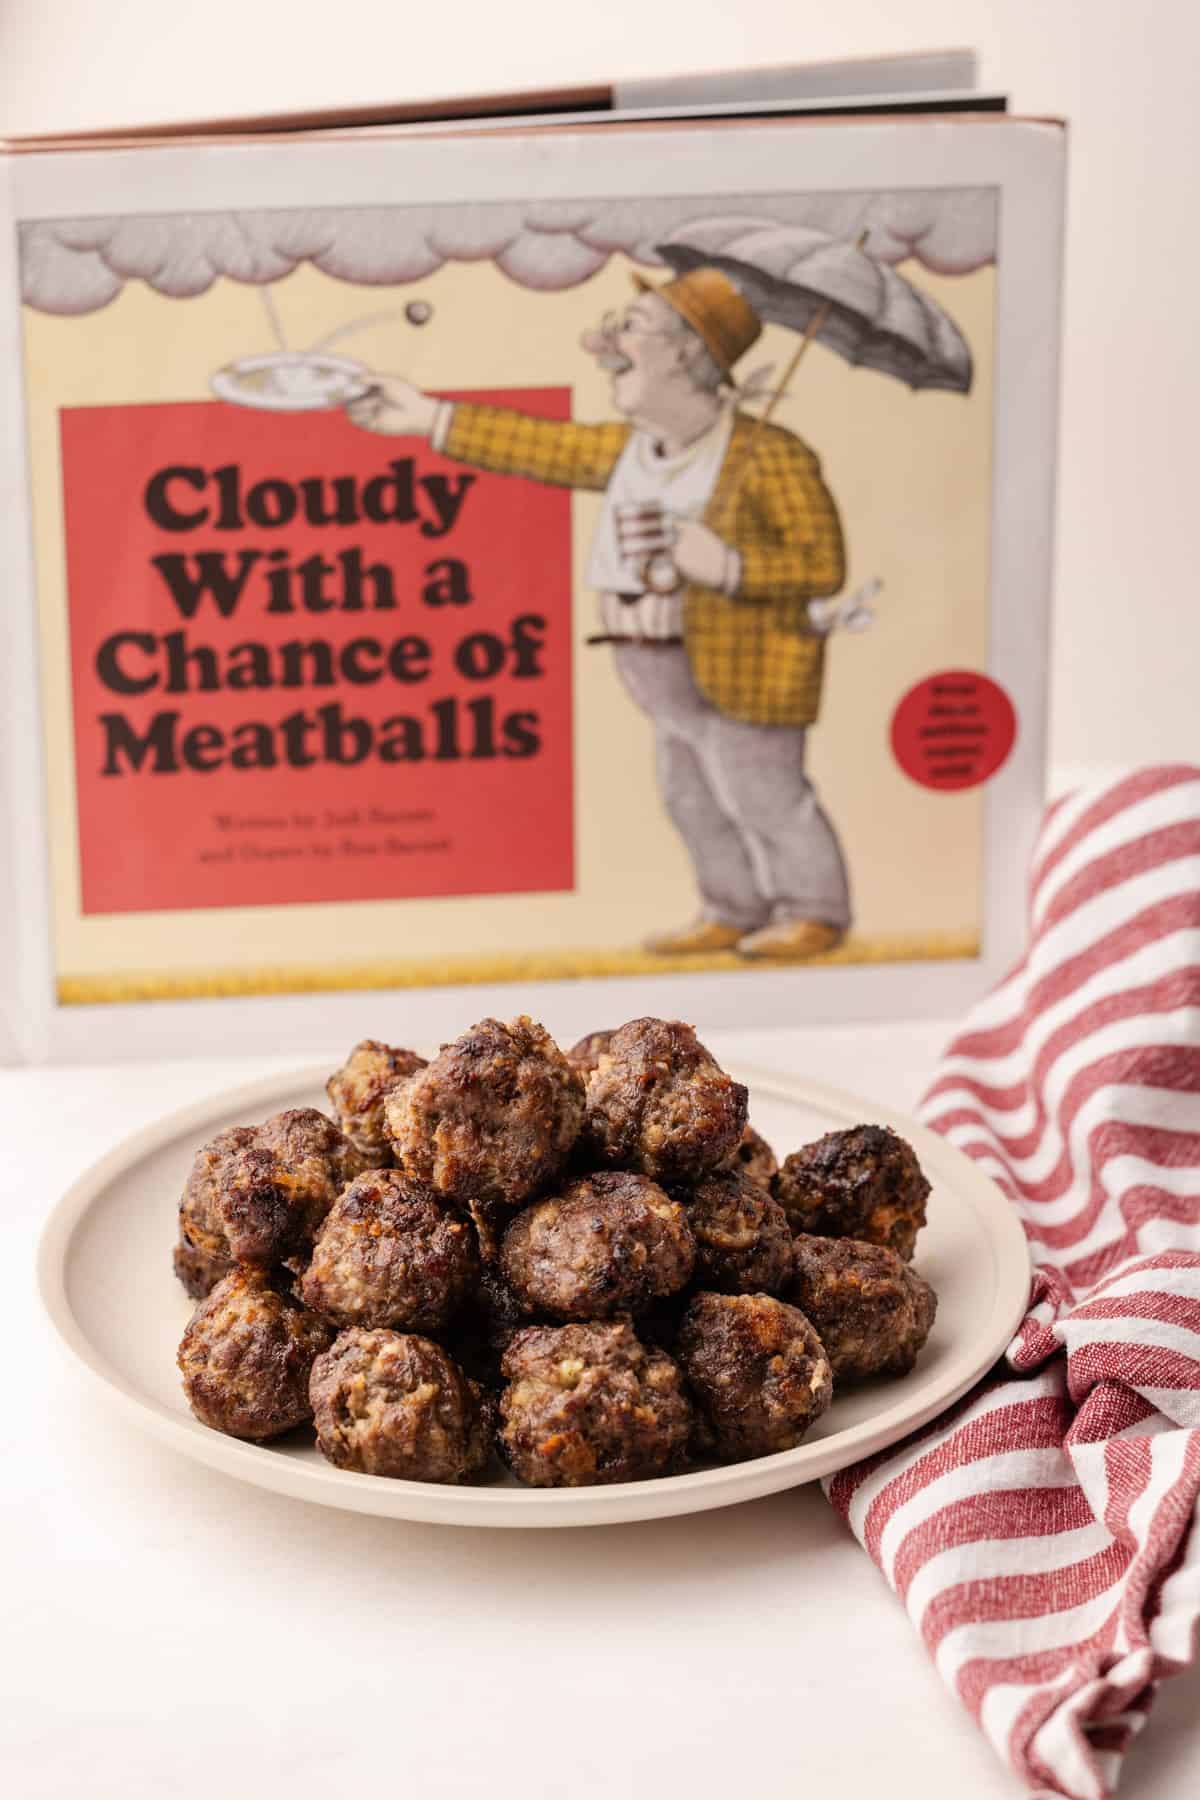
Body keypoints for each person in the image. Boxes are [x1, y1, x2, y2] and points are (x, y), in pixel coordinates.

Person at [347, 266, 851, 961]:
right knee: (691, 797)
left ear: (688, 354)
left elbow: (821, 563)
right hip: (653, 663)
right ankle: (732, 907)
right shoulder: (628, 449)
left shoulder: (769, 456)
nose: (603, 340)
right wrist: (428, 415)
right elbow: (540, 446)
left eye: (633, 327)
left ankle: (814, 908)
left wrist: (730, 568)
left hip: (748, 669)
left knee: (762, 795)